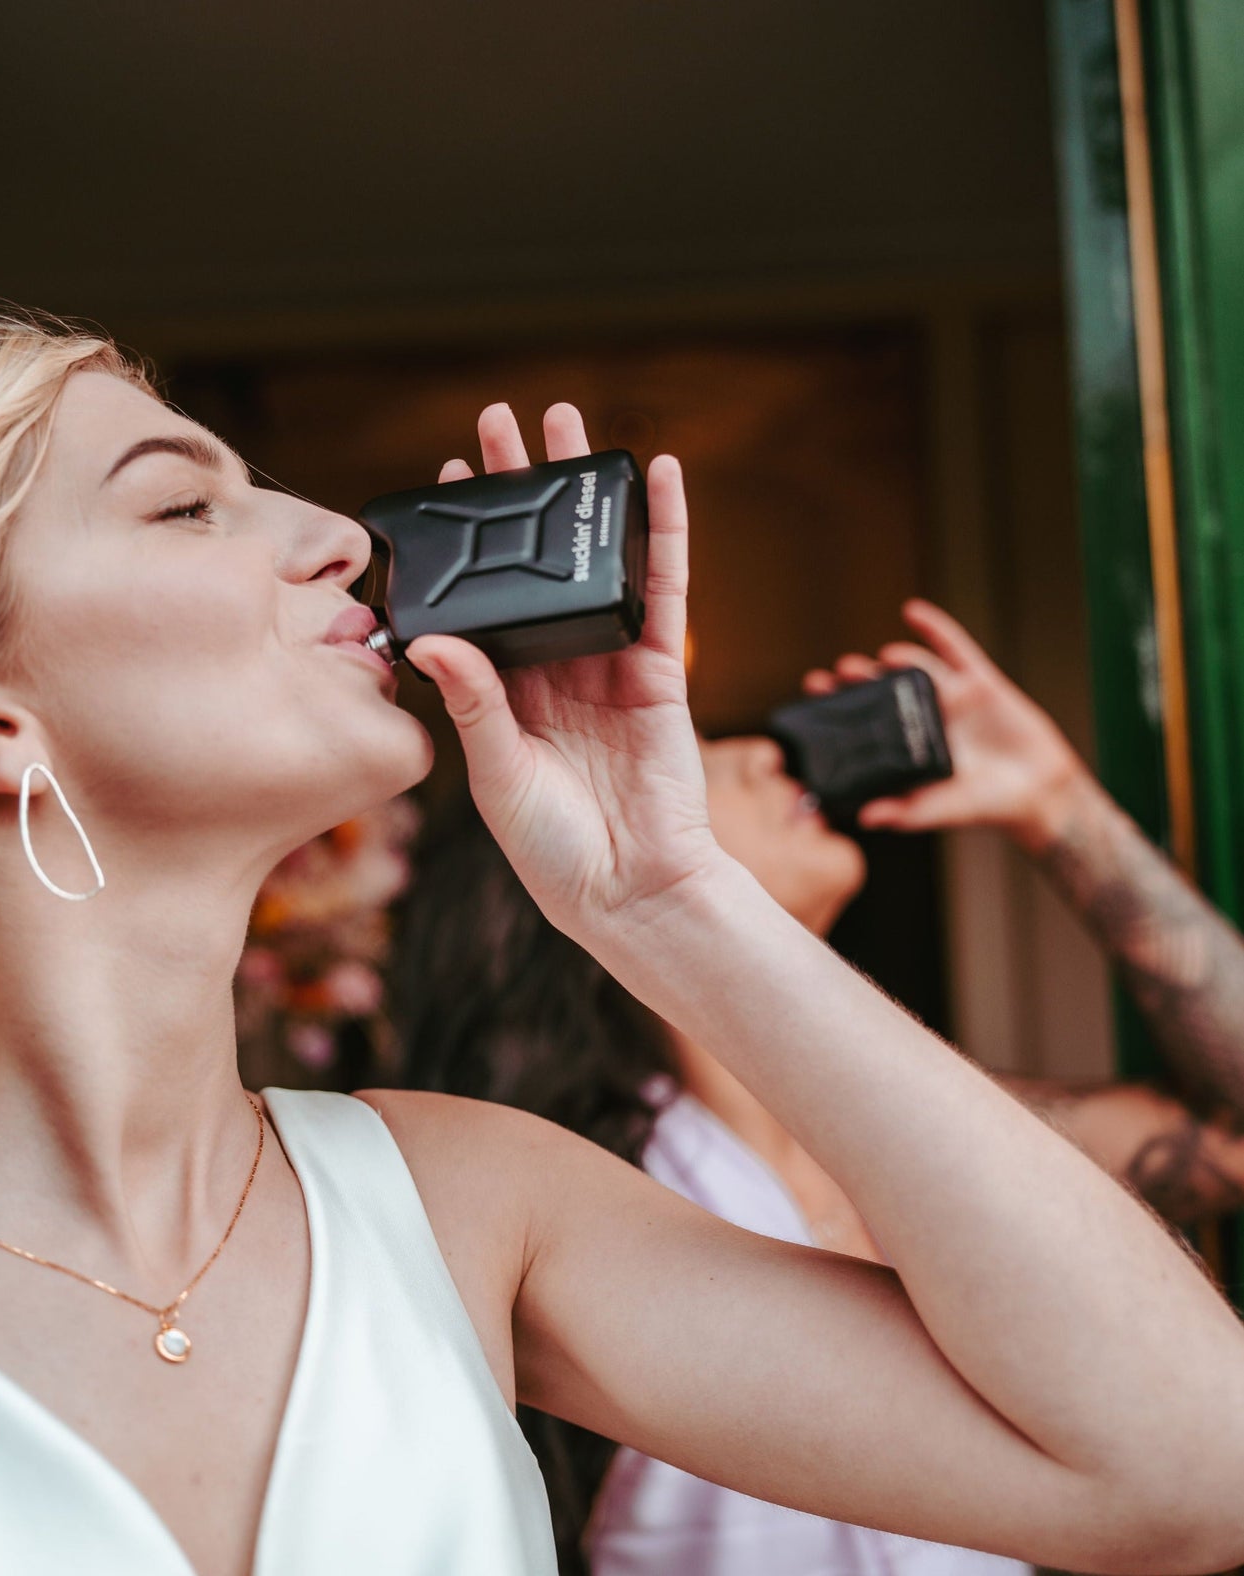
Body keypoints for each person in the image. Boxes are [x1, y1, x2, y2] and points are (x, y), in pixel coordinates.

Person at [0, 311, 1243, 1576]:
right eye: (184, 505)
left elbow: (1192, 1468)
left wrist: (665, 900)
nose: (343, 535)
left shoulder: (470, 1205)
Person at [395, 602, 1244, 1576]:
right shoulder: (561, 1201)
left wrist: (1056, 807)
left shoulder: (941, 1150)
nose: (765, 754)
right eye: (699, 761)